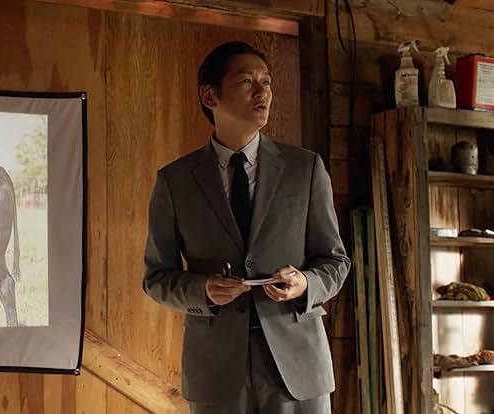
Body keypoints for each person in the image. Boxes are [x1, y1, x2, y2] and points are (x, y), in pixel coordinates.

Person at [142, 41, 350, 414]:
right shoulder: (175, 182)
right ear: (210, 95)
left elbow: (335, 262)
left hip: (297, 366)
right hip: (216, 371)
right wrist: (202, 288)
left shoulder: (305, 169)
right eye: (247, 81)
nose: (263, 92)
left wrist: (305, 283)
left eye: (267, 82)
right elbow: (156, 278)